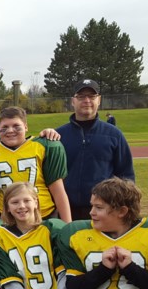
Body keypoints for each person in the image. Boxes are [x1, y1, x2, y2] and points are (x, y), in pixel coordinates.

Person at [0, 106, 71, 223]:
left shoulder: (44, 146)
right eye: (4, 127)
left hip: (43, 215)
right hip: (7, 218)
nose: (10, 130)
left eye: (16, 126)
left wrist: (67, 225)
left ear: (26, 127)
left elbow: (58, 190)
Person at [56, 80, 135, 220]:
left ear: (99, 100)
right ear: (73, 101)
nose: (86, 101)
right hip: (65, 211)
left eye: (91, 97)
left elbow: (126, 175)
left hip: (104, 211)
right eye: (81, 97)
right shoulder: (58, 136)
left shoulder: (113, 134)